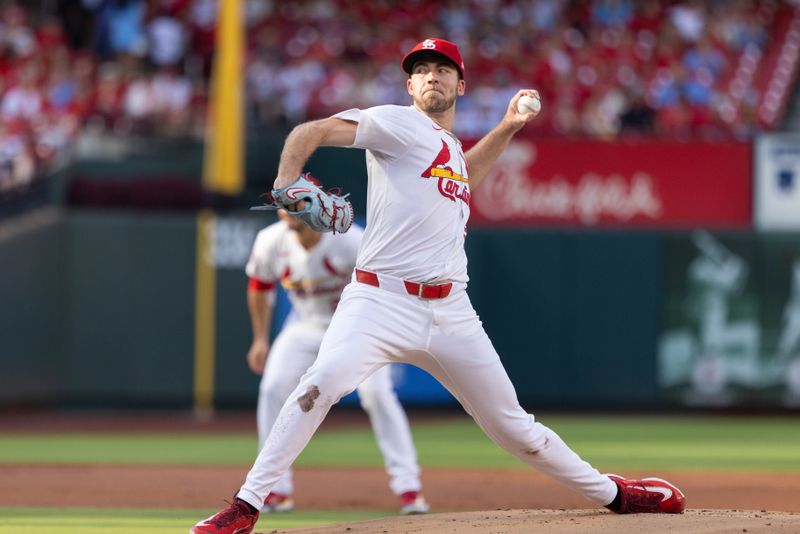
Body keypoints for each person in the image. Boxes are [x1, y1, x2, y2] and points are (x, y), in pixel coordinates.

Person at [192, 37, 686, 534]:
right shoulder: (397, 123)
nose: (433, 75)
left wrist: (509, 126)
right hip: (378, 299)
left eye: (444, 69)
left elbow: (464, 176)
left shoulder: (446, 147)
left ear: (461, 84)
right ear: (410, 84)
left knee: (517, 430)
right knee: (317, 386)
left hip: (450, 311)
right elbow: (311, 130)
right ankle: (246, 506)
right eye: (422, 69)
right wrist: (286, 181)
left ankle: (616, 494)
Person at [244, 208, 429, 515]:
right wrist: (260, 339)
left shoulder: (349, 240)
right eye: (284, 203)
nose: (287, 210)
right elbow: (259, 287)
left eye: (298, 202)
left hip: (358, 329)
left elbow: (387, 286)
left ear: (315, 206)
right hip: (306, 326)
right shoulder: (270, 240)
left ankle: (409, 487)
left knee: (378, 395)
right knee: (272, 388)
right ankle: (275, 489)